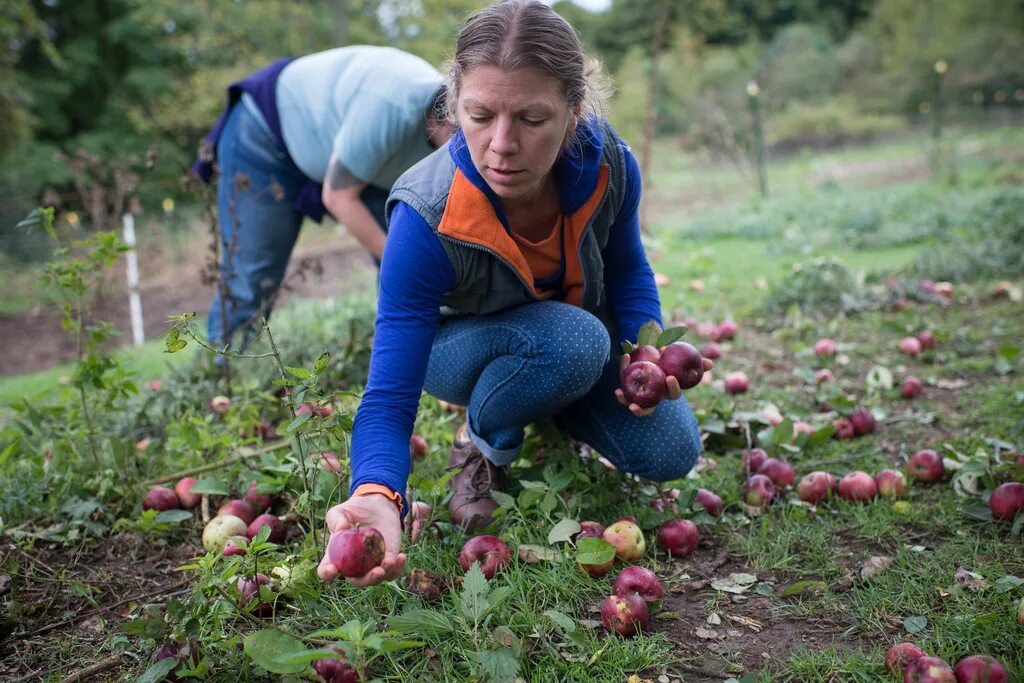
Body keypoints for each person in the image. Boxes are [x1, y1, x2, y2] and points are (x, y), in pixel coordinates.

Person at [317, 0, 712, 587]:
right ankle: (483, 443)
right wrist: (377, 492)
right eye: (479, 115)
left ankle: (546, 402)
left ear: (574, 112)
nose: (501, 143)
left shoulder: (610, 165)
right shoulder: (424, 213)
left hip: (568, 338)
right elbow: (389, 393)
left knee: (671, 451)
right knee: (577, 340)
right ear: (455, 105)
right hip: (462, 350)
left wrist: (643, 353)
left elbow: (629, 268)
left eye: (531, 119)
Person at [191, 46, 455, 348]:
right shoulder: (391, 108)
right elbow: (338, 195)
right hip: (263, 134)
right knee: (251, 277)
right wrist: (406, 261)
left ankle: (418, 361)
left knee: (414, 249)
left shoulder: (463, 132)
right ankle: (222, 379)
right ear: (449, 120)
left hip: (348, 153)